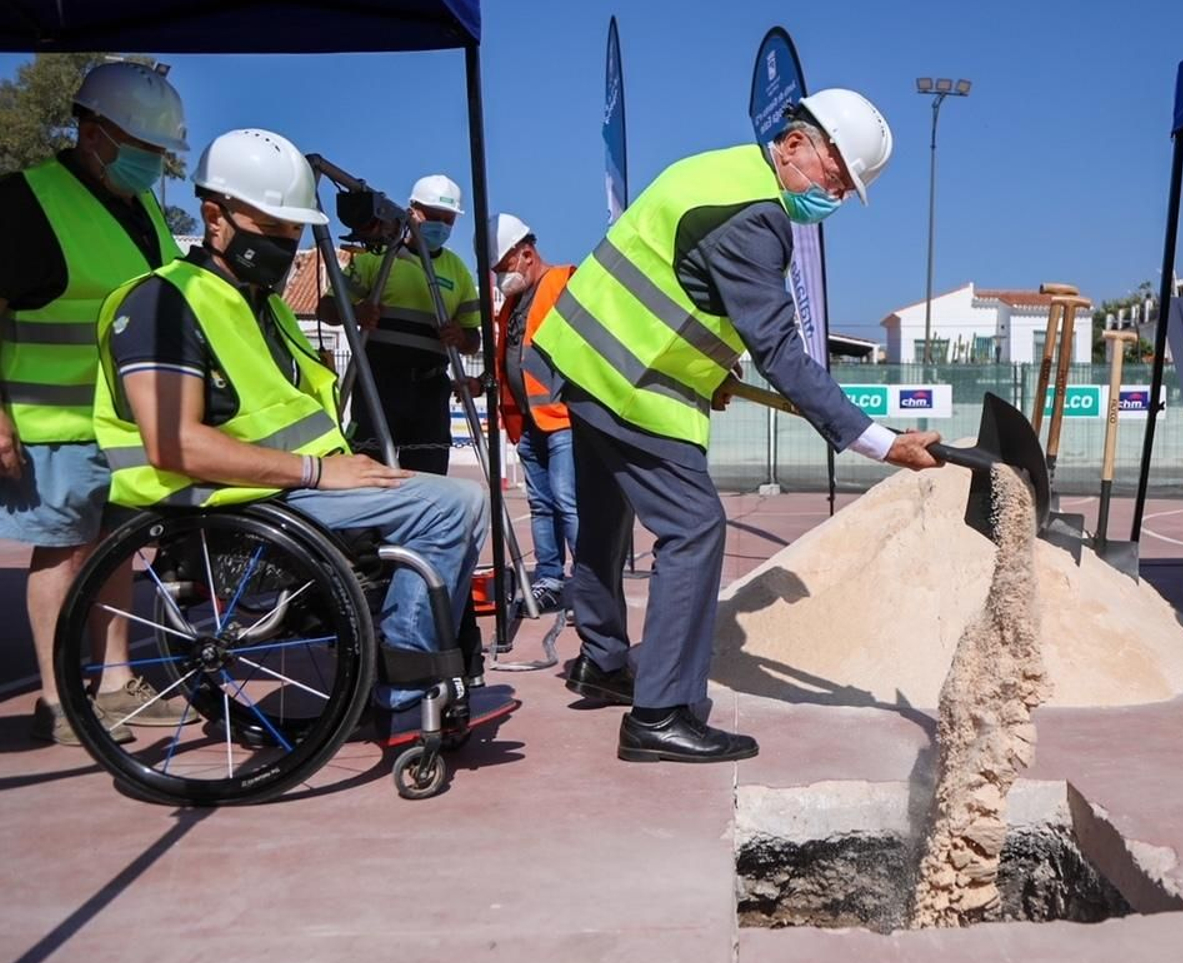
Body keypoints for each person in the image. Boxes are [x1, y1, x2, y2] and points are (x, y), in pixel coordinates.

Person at [531, 88, 942, 764]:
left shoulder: (718, 171)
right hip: (633, 383)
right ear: (795, 144)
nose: (835, 197)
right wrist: (879, 441)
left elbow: (679, 282)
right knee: (695, 529)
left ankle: (602, 662)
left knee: (604, 521)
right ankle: (660, 713)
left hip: (585, 360)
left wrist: (712, 372)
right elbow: (780, 351)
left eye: (846, 190)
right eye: (836, 177)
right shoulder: (757, 217)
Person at [94, 129, 487, 709]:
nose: (285, 244)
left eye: (294, 230)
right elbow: (174, 445)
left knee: (460, 503)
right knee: (452, 506)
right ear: (214, 217)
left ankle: (422, 665)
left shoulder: (264, 306)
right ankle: (406, 687)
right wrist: (317, 472)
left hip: (286, 488)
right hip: (232, 500)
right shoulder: (163, 302)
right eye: (272, 228)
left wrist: (336, 468)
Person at [0, 61, 194, 744]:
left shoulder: (143, 209)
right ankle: (57, 699)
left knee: (115, 549)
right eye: (141, 147)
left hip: (124, 421)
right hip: (53, 423)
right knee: (64, 554)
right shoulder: (24, 202)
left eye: (158, 151)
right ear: (92, 132)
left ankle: (115, 684)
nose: (152, 163)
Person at [319, 174, 481, 475]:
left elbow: (474, 340)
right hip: (378, 384)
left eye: (448, 220)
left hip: (430, 390)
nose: (441, 225)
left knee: (430, 477)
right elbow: (326, 309)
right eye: (433, 216)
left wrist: (461, 336)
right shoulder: (375, 258)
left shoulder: (458, 271)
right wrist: (355, 313)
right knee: (369, 471)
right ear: (412, 211)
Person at [489, 213, 578, 616]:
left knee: (568, 501)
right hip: (527, 422)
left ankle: (590, 587)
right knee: (542, 505)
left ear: (526, 253)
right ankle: (549, 579)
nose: (500, 277)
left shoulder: (564, 282)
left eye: (503, 266)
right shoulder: (512, 304)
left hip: (562, 419)